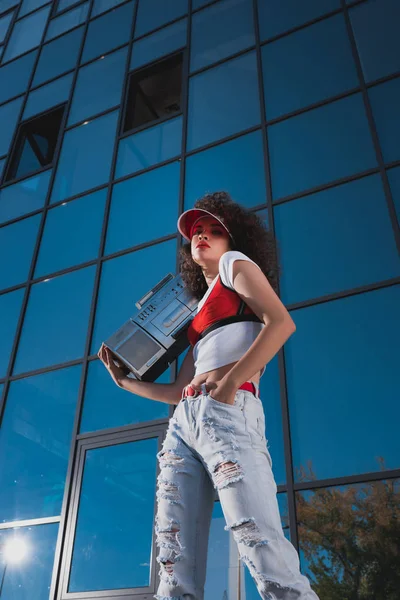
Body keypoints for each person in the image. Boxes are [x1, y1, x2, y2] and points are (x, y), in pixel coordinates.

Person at [98, 192, 320, 600]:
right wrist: (124, 382)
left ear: (234, 240)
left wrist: (230, 384)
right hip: (185, 420)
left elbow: (281, 324)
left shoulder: (236, 264)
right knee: (173, 558)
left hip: (227, 411)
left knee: (259, 541)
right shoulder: (198, 309)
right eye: (197, 232)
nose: (202, 236)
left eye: (215, 231)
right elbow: (175, 389)